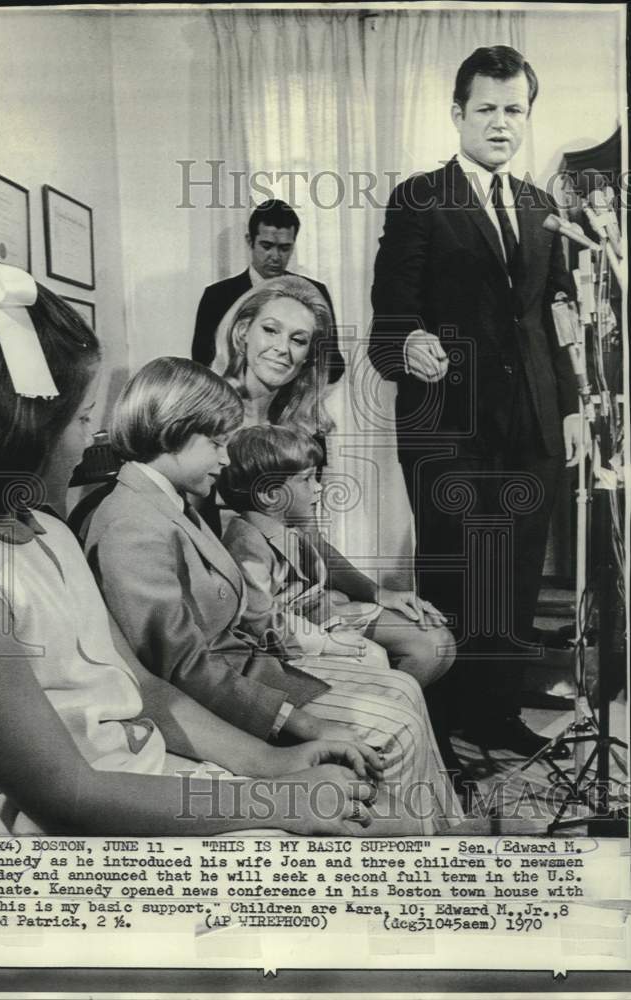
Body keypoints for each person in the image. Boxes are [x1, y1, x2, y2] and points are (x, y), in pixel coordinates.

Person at [0, 255, 385, 837]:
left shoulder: (49, 533)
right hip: (77, 821)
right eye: (85, 419)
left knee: (363, 811)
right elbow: (70, 797)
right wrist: (271, 800)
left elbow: (143, 686)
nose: (93, 442)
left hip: (144, 767)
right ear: (21, 429)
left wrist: (274, 763)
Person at [84, 357, 463, 832]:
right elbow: (180, 668)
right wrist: (295, 720)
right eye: (216, 444)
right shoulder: (133, 523)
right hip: (224, 696)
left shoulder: (169, 502)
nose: (225, 460)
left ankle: (439, 834)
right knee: (395, 727)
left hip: (250, 671)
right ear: (173, 430)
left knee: (405, 687)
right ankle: (411, 847)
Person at [368, 45, 581, 756]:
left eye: (513, 109)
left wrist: (574, 408)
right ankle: (446, 717)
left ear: (526, 117)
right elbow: (389, 317)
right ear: (458, 115)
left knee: (515, 570)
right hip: (448, 428)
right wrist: (411, 344)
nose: (500, 122)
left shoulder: (543, 209)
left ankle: (496, 715)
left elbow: (562, 318)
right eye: (485, 109)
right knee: (458, 568)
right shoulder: (419, 200)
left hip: (533, 426)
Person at [212, 275, 456, 691]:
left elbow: (307, 536)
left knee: (435, 645)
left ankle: (371, 724)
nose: (282, 349)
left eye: (299, 339)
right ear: (242, 333)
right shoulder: (209, 412)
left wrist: (377, 592)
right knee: (396, 655)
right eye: (270, 330)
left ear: (309, 353)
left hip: (304, 595)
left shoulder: (295, 424)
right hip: (246, 608)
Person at [219, 424, 454, 689]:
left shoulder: (289, 518)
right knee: (377, 658)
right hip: (295, 633)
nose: (319, 488)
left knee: (437, 644)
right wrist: (326, 641)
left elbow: (320, 550)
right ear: (271, 495)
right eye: (307, 480)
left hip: (320, 610)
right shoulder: (246, 544)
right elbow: (259, 622)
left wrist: (378, 592)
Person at [192, 199, 344, 383]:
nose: (275, 256)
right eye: (266, 246)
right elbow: (201, 366)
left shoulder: (314, 292)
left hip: (294, 404)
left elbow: (334, 366)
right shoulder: (217, 296)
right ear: (250, 241)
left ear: (293, 245)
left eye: (284, 248)